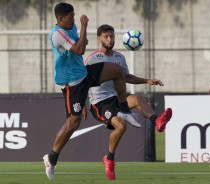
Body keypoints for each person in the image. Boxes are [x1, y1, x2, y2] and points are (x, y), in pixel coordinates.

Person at [43, 3, 140, 181]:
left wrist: (81, 35)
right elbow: (80, 49)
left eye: (74, 16)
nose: (73, 19)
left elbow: (80, 44)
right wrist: (84, 27)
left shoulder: (70, 26)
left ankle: (124, 109)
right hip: (72, 84)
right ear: (60, 19)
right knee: (73, 124)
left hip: (84, 73)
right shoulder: (57, 34)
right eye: (70, 17)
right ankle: (51, 158)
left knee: (118, 72)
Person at [84, 24, 172, 180]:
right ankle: (109, 159)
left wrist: (146, 80)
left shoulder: (119, 58)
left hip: (116, 96)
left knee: (139, 99)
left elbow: (127, 77)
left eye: (112, 36)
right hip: (100, 102)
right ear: (99, 38)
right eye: (106, 36)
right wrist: (82, 105)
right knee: (121, 126)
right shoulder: (92, 59)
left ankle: (157, 120)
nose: (110, 39)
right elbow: (81, 81)